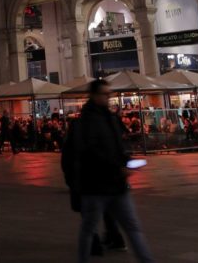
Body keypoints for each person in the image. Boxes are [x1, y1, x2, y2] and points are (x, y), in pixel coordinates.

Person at [70, 80, 154, 263]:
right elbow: (91, 152)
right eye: (104, 94)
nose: (108, 97)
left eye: (109, 94)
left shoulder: (110, 117)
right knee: (88, 229)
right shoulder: (86, 121)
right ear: (93, 95)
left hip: (117, 185)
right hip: (95, 187)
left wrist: (127, 161)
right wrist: (118, 166)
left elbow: (117, 146)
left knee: (133, 227)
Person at [62, 116, 126, 256]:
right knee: (105, 212)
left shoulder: (73, 143)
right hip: (99, 183)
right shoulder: (93, 138)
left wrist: (71, 181)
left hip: (85, 184)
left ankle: (96, 244)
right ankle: (114, 238)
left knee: (88, 216)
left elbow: (67, 163)